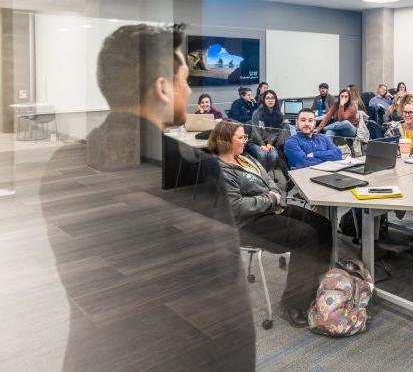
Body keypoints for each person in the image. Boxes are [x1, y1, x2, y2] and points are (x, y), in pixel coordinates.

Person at [41, 24, 255, 370]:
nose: (188, 89)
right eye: (184, 79)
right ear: (162, 88)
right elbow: (223, 307)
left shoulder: (63, 161)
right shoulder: (191, 170)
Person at [210, 120, 332, 328]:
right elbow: (236, 206)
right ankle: (293, 303)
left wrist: (274, 195)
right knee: (306, 236)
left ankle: (316, 284)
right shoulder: (222, 169)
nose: (245, 141)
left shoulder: (246, 159)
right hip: (247, 223)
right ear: (225, 141)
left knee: (323, 224)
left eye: (244, 137)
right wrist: (270, 199)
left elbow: (271, 182)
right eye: (241, 137)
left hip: (271, 209)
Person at [248, 90, 288, 172]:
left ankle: (264, 175)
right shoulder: (257, 113)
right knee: (262, 154)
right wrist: (262, 144)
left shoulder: (279, 114)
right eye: (268, 98)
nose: (270, 100)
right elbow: (255, 131)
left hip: (270, 143)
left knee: (273, 156)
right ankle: (262, 177)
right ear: (264, 100)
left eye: (272, 98)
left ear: (275, 100)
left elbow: (276, 132)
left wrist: (269, 143)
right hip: (255, 142)